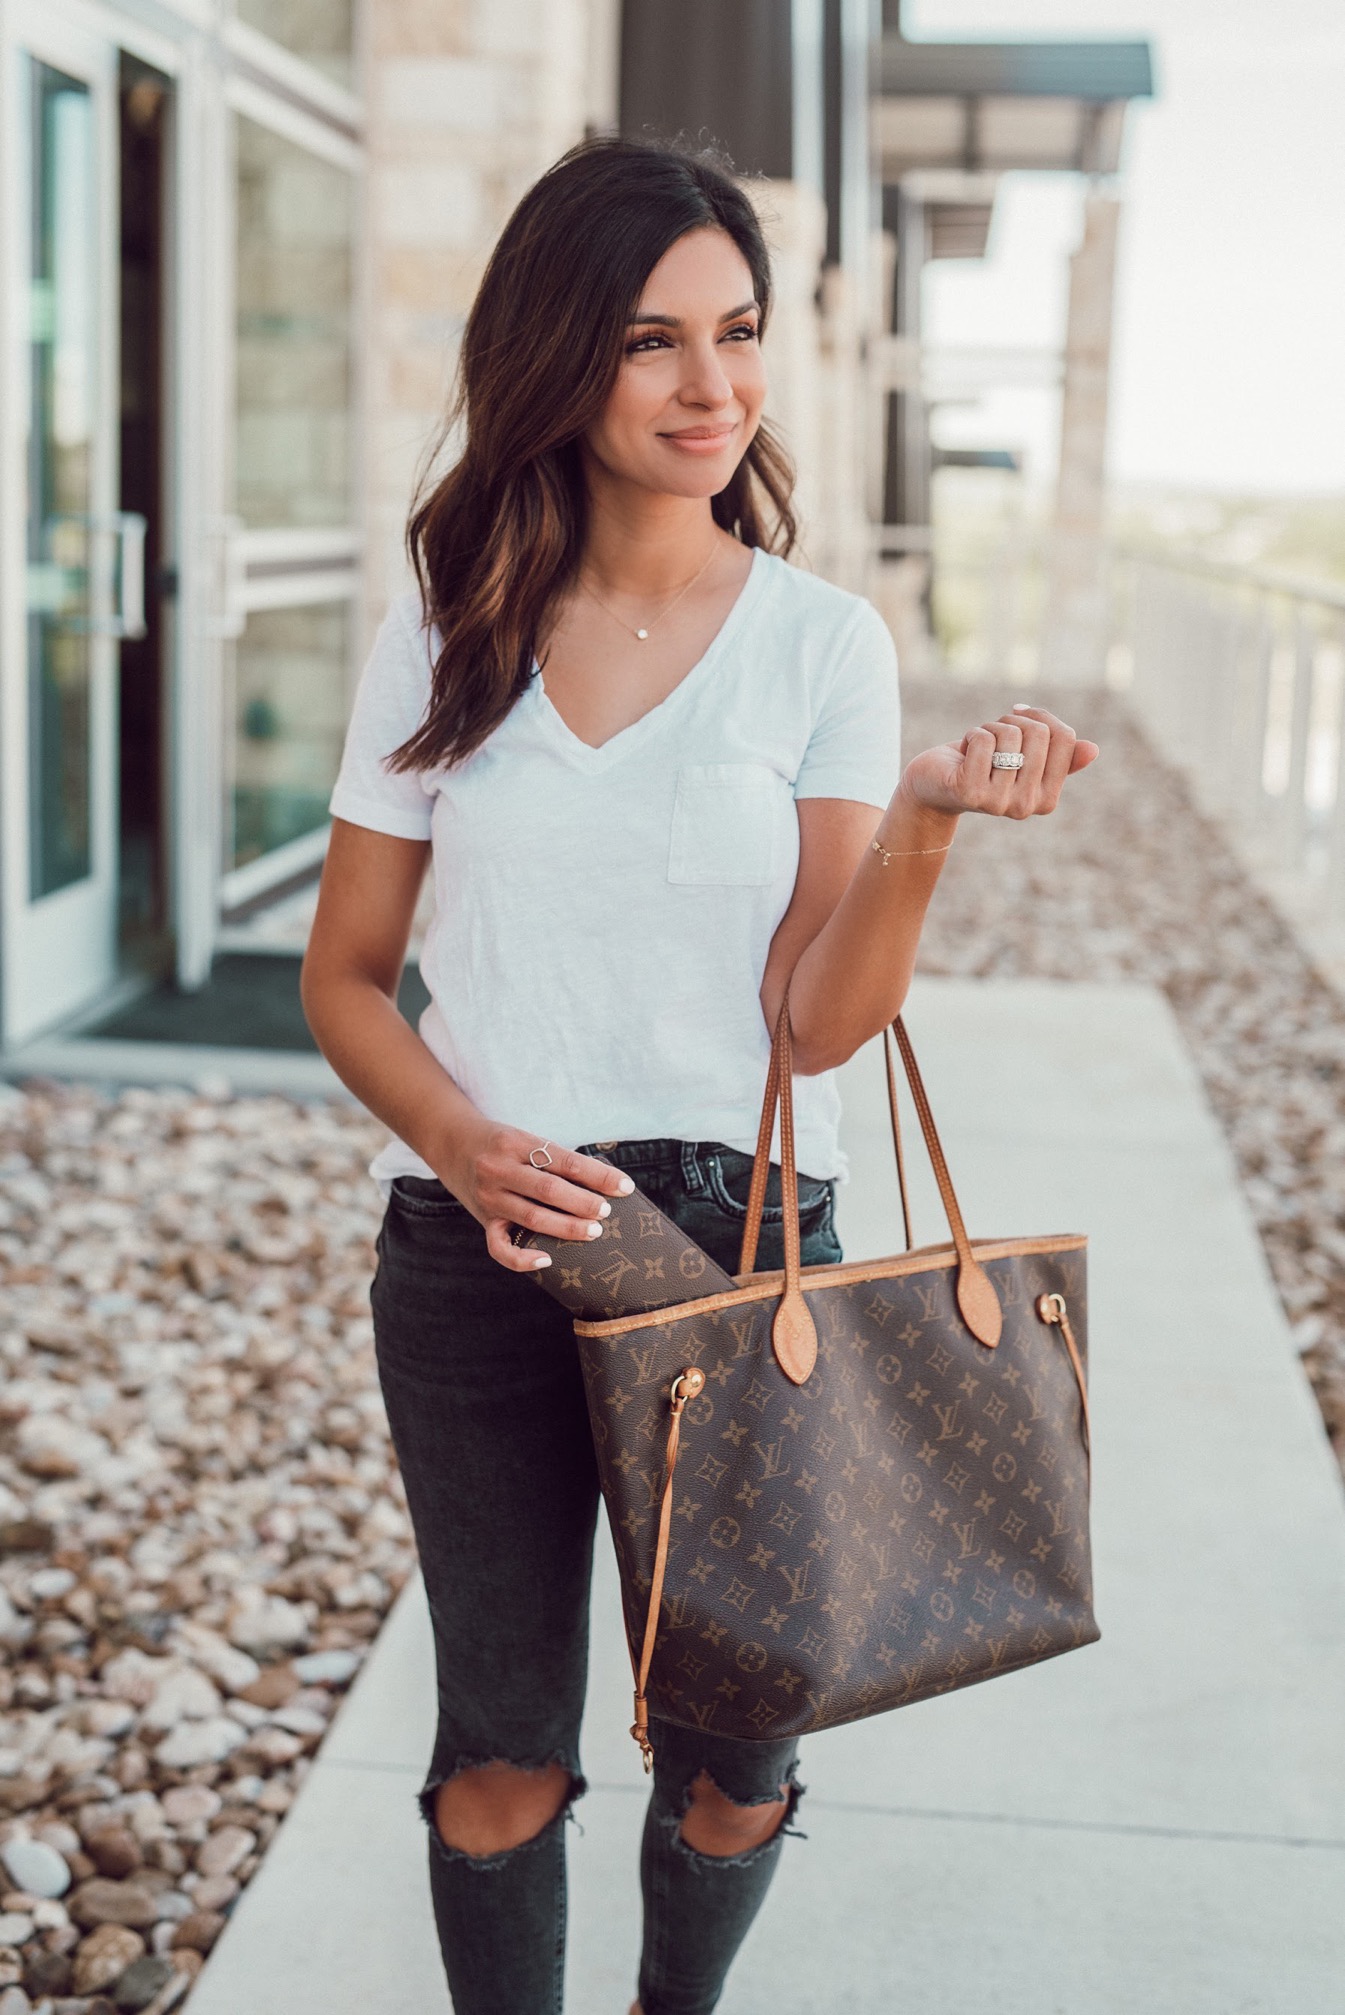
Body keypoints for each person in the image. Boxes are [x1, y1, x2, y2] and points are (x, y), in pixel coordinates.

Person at [301, 136, 1098, 2015]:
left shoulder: (820, 644)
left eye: (736, 335)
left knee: (737, 1759)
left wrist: (918, 824)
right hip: (479, 1254)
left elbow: (814, 1023)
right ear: (558, 358)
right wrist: (455, 1136)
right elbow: (340, 977)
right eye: (652, 341)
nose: (711, 386)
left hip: (743, 1251)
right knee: (499, 1752)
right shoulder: (443, 626)